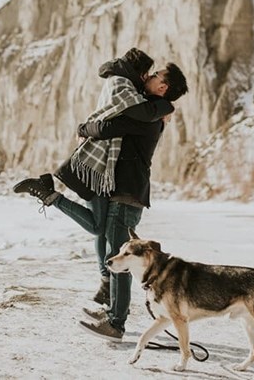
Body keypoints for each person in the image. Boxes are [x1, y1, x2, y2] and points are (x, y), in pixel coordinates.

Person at [13, 48, 174, 305]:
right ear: (139, 72)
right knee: (99, 228)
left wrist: (163, 106)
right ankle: (47, 194)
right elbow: (113, 123)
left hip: (104, 169)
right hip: (97, 166)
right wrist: (165, 106)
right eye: (147, 73)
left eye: (151, 75)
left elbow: (131, 117)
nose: (147, 78)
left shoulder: (129, 88)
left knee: (101, 232)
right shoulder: (122, 85)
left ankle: (104, 283)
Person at [75, 65, 188, 341]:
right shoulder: (153, 109)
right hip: (125, 192)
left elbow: (110, 127)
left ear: (162, 87)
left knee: (119, 258)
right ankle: (113, 310)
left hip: (128, 194)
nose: (148, 76)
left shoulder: (150, 114)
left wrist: (82, 128)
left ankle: (116, 324)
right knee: (115, 253)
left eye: (155, 75)